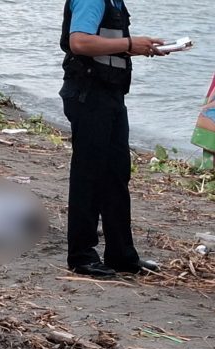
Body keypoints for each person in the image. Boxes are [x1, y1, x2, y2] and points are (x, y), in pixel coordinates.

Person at [59, 0, 164, 277]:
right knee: (89, 176)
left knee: (117, 175)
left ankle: (121, 255)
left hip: (111, 95)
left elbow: (108, 45)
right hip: (89, 94)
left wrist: (140, 47)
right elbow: (79, 42)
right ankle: (81, 256)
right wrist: (130, 44)